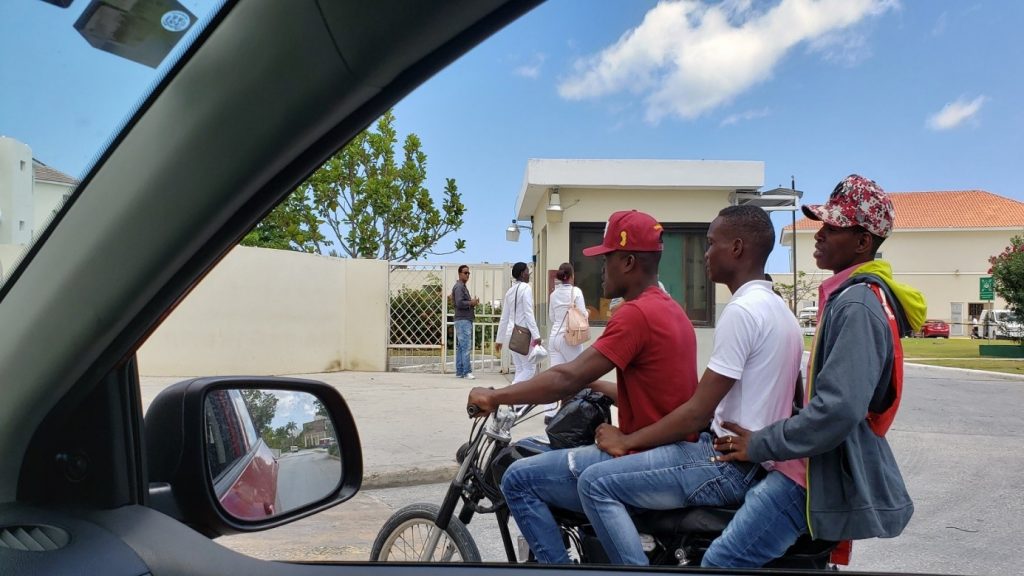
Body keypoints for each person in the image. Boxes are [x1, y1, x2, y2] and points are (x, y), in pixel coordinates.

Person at [704, 174, 926, 568]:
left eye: (833, 227)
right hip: (805, 463)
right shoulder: (850, 297)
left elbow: (837, 410)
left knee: (722, 561)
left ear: (862, 242)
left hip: (808, 476)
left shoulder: (857, 304)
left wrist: (760, 443)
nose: (819, 235)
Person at [576, 205, 803, 565]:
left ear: (738, 248)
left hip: (724, 463)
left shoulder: (742, 312)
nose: (706, 253)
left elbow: (699, 412)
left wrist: (626, 440)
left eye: (712, 243)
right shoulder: (780, 311)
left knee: (594, 483)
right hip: (753, 460)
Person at [468, 210, 699, 564]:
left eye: (607, 258)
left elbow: (564, 377)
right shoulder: (672, 310)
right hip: (667, 451)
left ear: (629, 261)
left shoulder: (634, 314)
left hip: (647, 459)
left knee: (517, 479)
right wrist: (596, 384)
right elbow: (655, 395)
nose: (602, 268)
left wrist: (495, 396)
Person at [496, 262, 543, 391]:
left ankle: (517, 404)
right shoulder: (526, 288)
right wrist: (536, 335)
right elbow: (528, 313)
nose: (529, 275)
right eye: (528, 271)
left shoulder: (510, 291)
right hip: (522, 335)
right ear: (523, 273)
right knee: (529, 369)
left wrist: (499, 339)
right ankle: (509, 392)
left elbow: (504, 317)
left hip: (510, 335)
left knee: (520, 368)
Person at [547, 262, 588, 368]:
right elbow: (583, 315)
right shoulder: (576, 291)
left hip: (554, 338)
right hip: (570, 338)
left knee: (556, 376)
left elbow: (552, 317)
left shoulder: (553, 294)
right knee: (579, 371)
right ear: (572, 276)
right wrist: (588, 313)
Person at [452, 265, 480, 380]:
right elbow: (459, 303)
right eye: (465, 273)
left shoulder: (461, 286)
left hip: (462, 319)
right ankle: (467, 371)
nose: (467, 275)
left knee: (461, 347)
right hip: (463, 320)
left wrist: (471, 302)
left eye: (468, 273)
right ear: (459, 273)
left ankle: (460, 371)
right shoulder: (459, 287)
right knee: (466, 346)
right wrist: (471, 303)